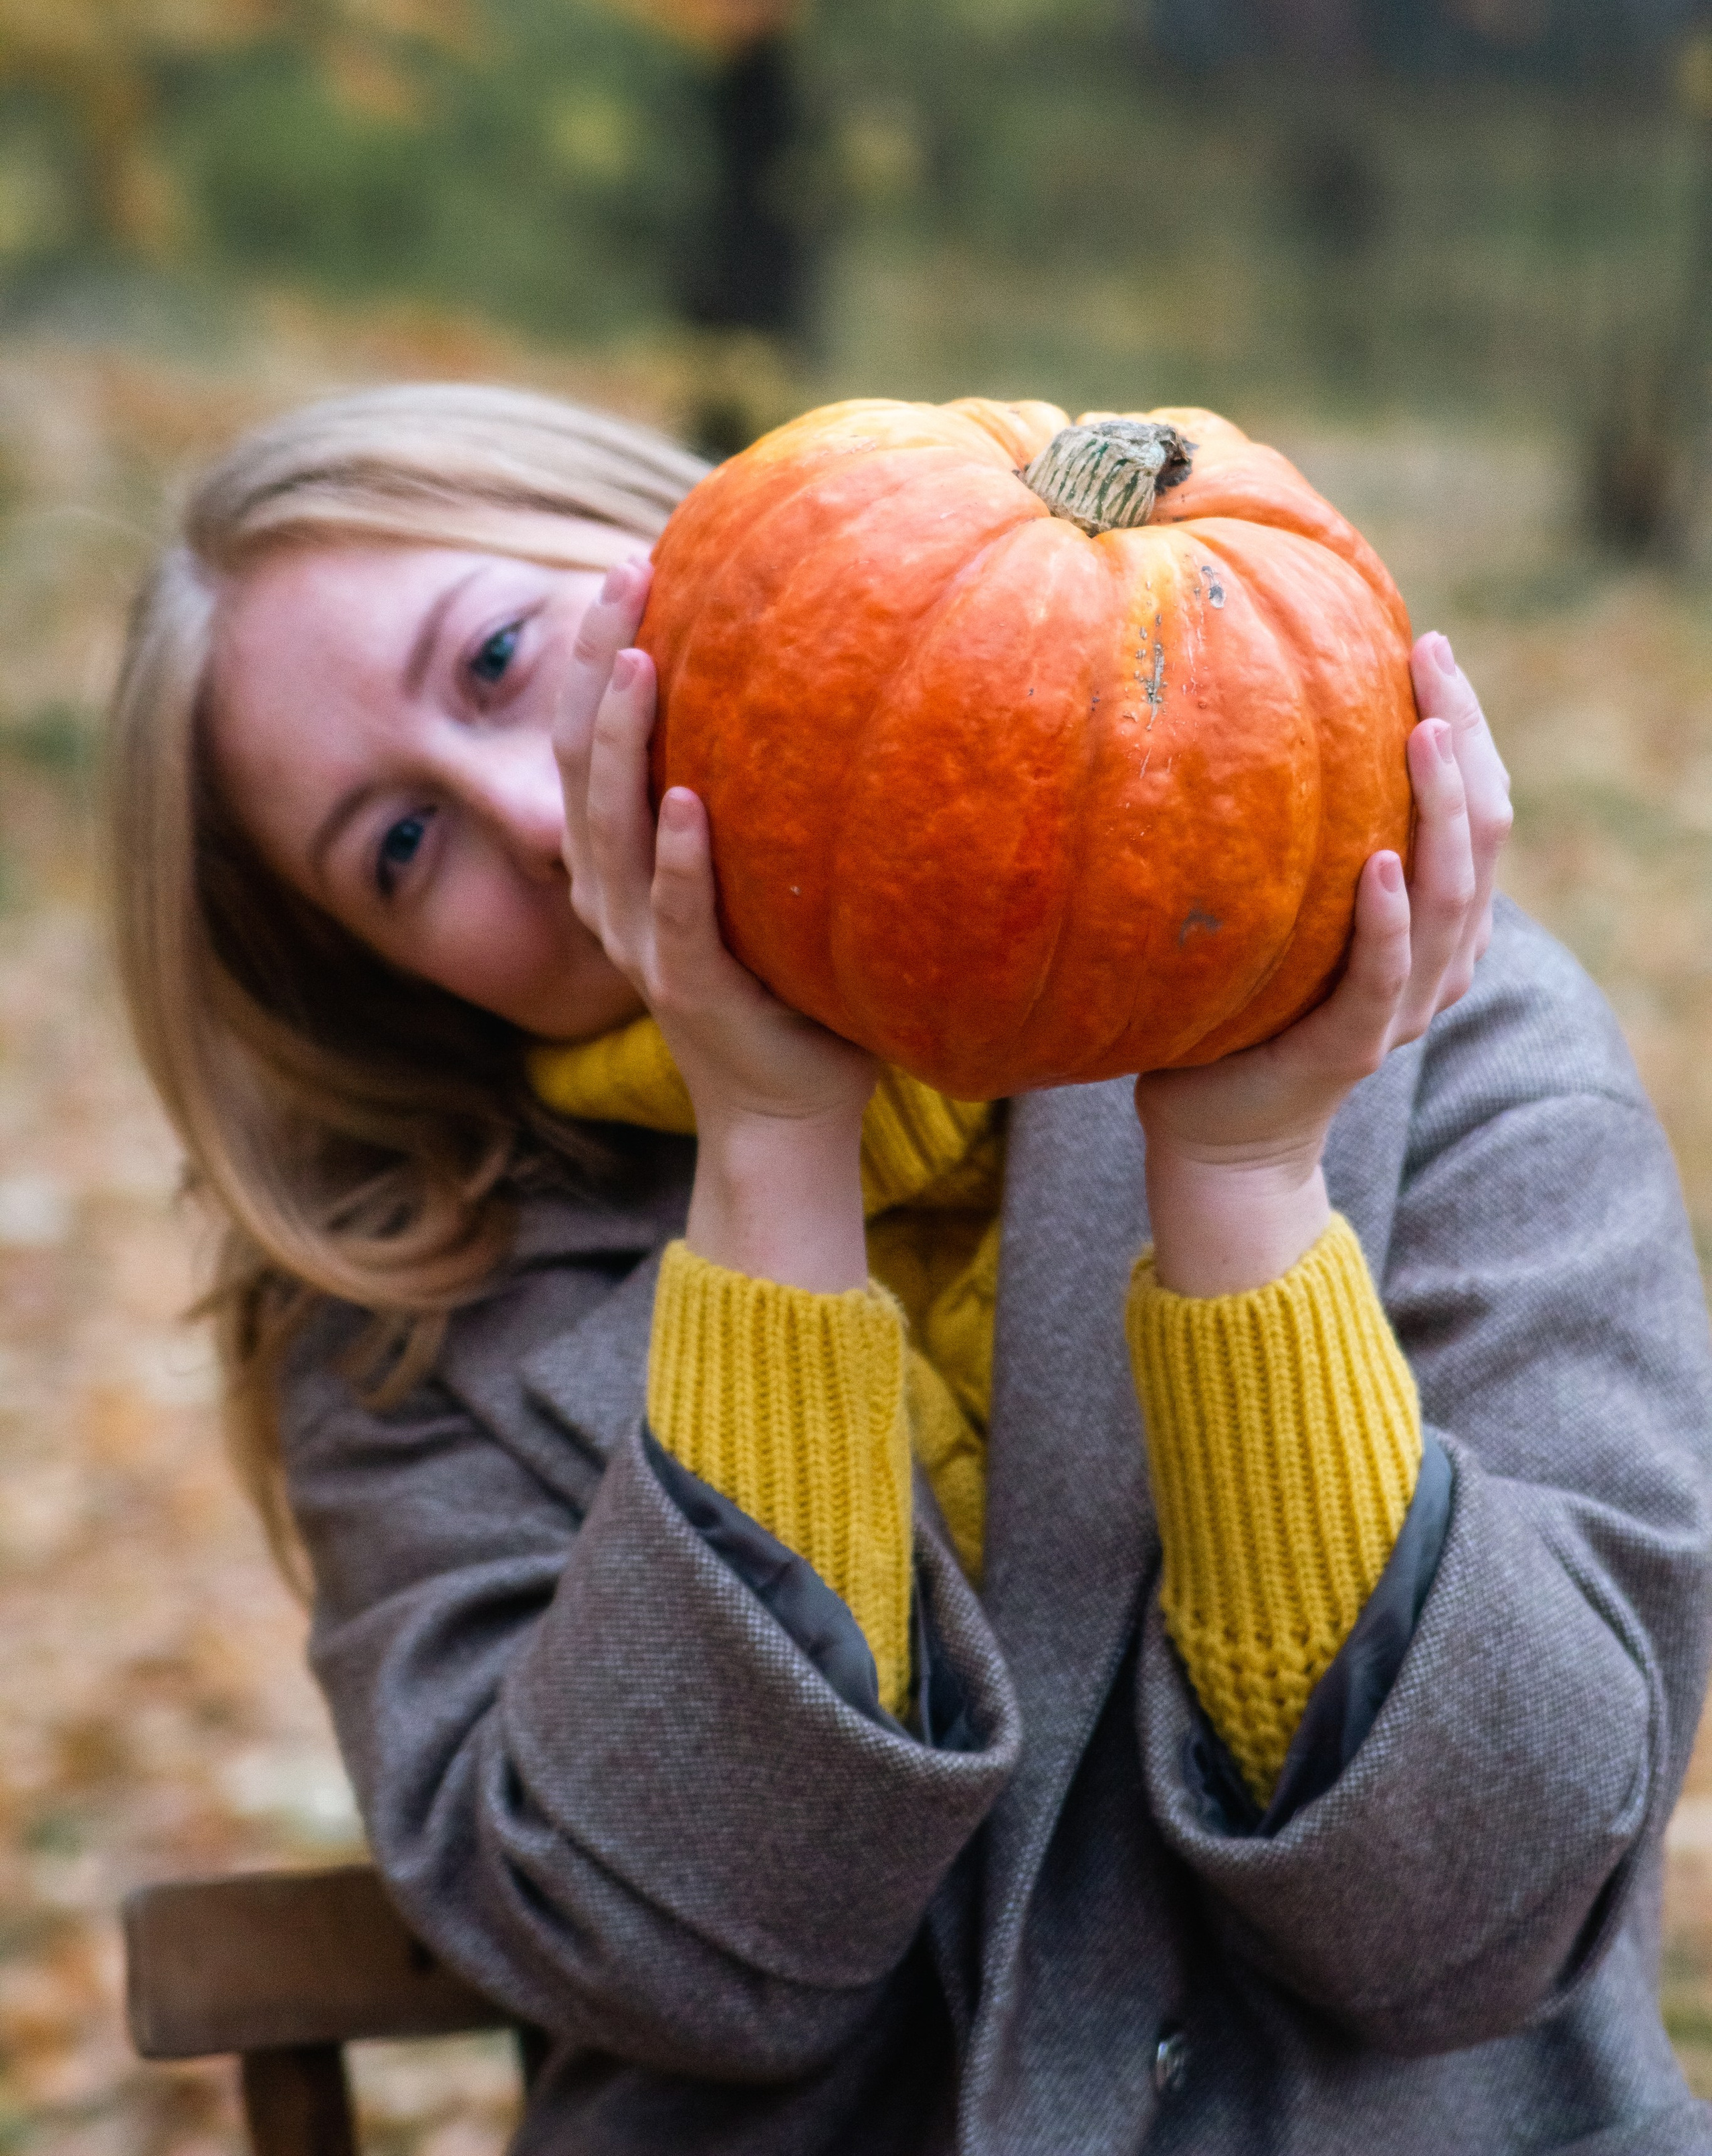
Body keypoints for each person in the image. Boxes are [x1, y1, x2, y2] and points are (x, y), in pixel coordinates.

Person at [110, 379, 1712, 2155]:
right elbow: (678, 1962)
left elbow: (1487, 1909)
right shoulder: (404, 1317)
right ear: (378, 977)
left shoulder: (1436, 1031)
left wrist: (1247, 1175)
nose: (533, 819)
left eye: (493, 660)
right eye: (401, 852)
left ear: (690, 534)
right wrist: (771, 1155)